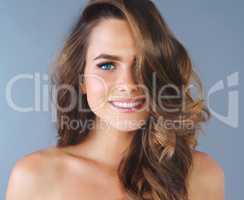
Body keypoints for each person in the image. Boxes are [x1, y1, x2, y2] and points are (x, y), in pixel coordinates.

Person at [6, 0, 224, 199]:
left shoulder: (202, 175)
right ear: (81, 79)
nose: (128, 85)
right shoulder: (35, 178)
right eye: (107, 65)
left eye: (142, 64)